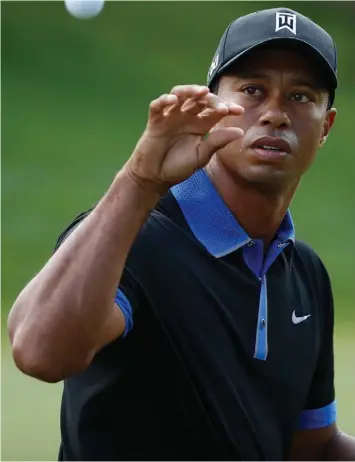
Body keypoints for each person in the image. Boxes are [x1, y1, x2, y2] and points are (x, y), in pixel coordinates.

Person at [7, 6, 355, 461]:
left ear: (326, 126)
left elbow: (314, 447)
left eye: (301, 97)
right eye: (252, 90)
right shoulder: (137, 235)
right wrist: (139, 181)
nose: (275, 114)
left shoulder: (305, 274)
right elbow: (39, 352)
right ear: (213, 107)